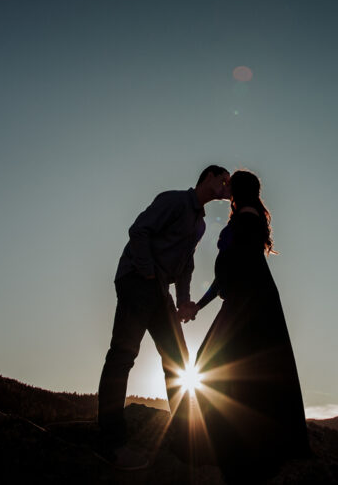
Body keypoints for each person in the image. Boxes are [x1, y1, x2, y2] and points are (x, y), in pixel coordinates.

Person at [96, 165, 230, 469]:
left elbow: (186, 265)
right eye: (223, 180)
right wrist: (146, 272)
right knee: (123, 355)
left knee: (178, 359)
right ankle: (110, 443)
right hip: (137, 280)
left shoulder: (200, 225)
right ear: (208, 177)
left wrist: (183, 300)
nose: (226, 187)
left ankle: (185, 442)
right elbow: (139, 230)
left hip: (160, 293)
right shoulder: (173, 201)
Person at [191, 170, 310, 480]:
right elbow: (225, 276)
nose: (225, 186)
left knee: (221, 365)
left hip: (250, 304)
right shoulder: (246, 218)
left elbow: (232, 269)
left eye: (230, 183)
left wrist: (203, 303)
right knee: (227, 366)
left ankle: (232, 448)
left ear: (239, 189)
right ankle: (233, 444)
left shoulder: (247, 218)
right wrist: (199, 306)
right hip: (247, 302)